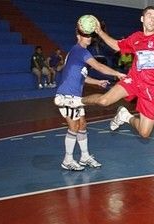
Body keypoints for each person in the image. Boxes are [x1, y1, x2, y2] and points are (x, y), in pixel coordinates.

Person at [56, 6, 154, 138]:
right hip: (134, 80)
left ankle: (125, 116)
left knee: (144, 133)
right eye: (149, 15)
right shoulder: (136, 37)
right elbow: (116, 45)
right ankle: (76, 101)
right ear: (142, 19)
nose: (152, 19)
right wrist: (100, 32)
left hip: (152, 88)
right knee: (104, 101)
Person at [54, 20, 127, 171]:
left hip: (75, 96)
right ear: (78, 36)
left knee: (82, 125)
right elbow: (99, 66)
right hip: (67, 96)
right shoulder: (80, 51)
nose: (88, 37)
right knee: (74, 126)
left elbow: (81, 76)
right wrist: (117, 73)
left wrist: (97, 82)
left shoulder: (75, 53)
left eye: (89, 35)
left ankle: (84, 156)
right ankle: (67, 160)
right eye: (84, 34)